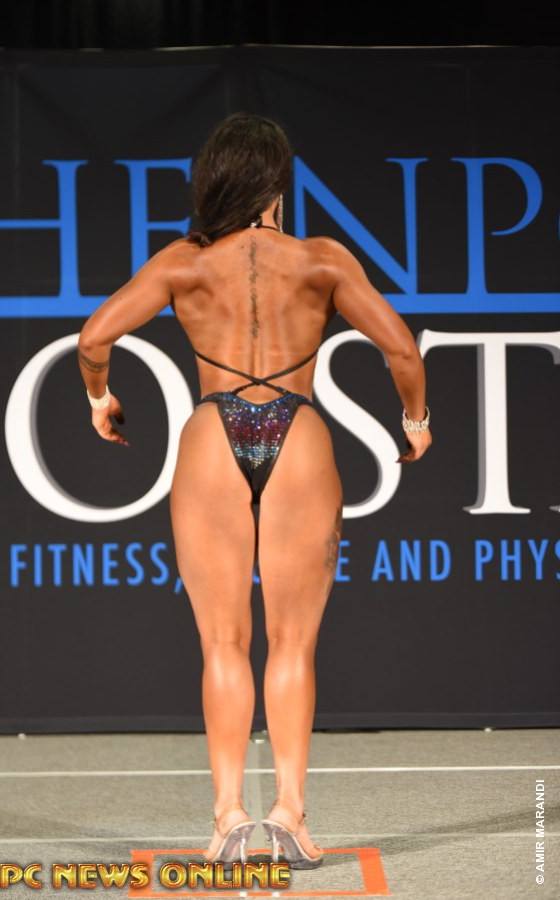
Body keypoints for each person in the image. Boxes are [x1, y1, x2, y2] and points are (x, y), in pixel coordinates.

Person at [77, 112, 431, 869]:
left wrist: (100, 398)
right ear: (277, 185)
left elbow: (94, 337)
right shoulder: (322, 259)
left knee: (222, 642)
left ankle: (228, 815)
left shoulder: (184, 262)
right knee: (294, 642)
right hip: (297, 432)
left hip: (213, 433)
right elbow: (401, 347)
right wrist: (415, 420)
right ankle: (290, 815)